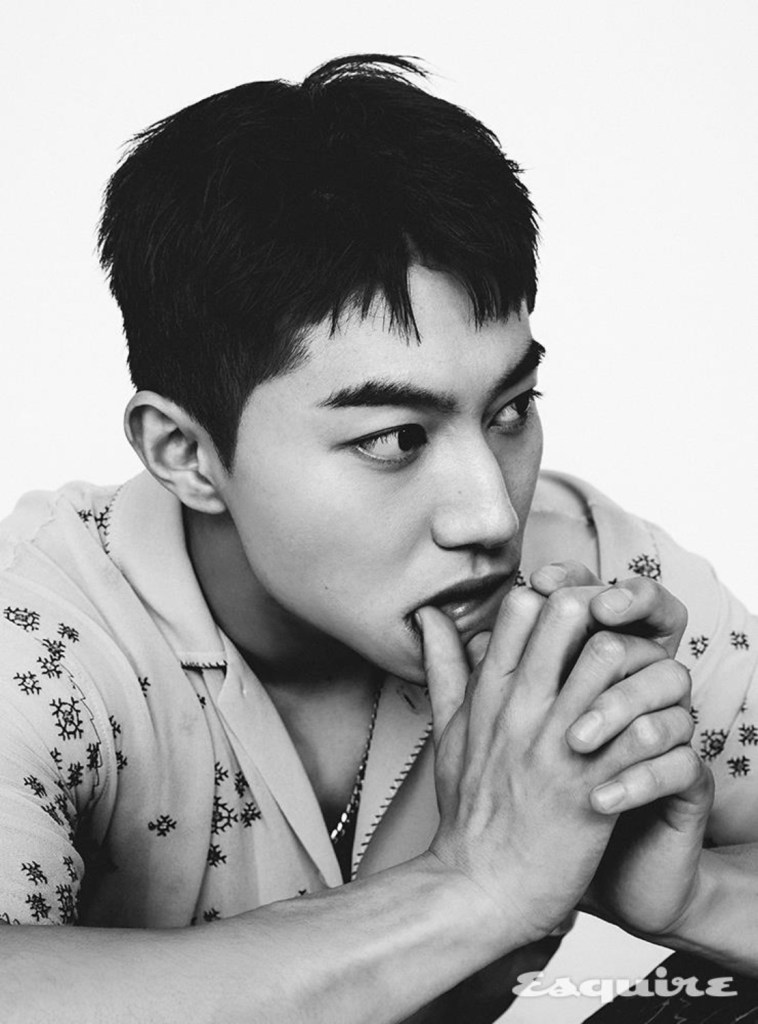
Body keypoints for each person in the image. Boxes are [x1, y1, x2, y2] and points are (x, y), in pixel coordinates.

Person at [0, 53, 756, 1023]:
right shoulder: (42, 636)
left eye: (511, 410)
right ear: (184, 454)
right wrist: (472, 887)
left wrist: (695, 898)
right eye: (395, 438)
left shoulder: (582, 581)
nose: (490, 515)